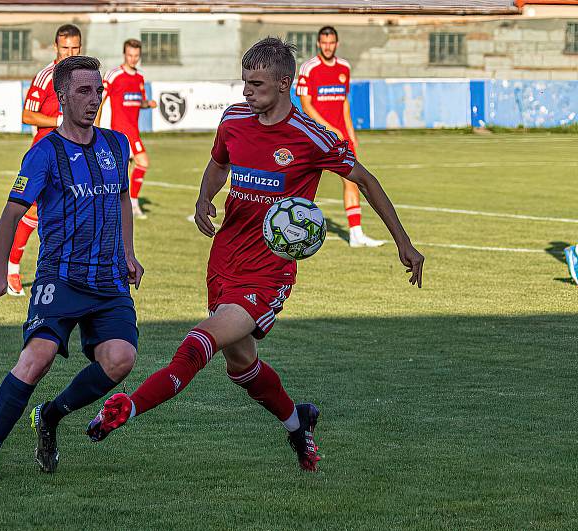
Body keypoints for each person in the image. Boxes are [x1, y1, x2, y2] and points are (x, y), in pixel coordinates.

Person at [87, 38, 424, 472]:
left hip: (267, 272)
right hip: (224, 258)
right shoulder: (234, 120)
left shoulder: (311, 137)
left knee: (200, 340)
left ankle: (128, 408)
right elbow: (219, 162)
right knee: (242, 365)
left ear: (285, 83)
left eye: (257, 84)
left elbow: (367, 179)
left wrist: (404, 242)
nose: (247, 92)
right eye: (245, 82)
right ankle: (297, 424)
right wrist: (204, 199)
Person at [0, 55, 145, 484]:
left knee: (121, 359)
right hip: (59, 278)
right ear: (61, 97)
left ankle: (51, 414)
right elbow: (10, 216)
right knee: (37, 358)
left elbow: (122, 198)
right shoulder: (44, 153)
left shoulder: (116, 145)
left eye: (98, 90)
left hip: (107, 279)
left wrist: (128, 252)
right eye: (84, 91)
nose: (94, 99)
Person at [8, 24, 83, 297]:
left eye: (75, 48)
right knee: (31, 213)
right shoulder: (45, 76)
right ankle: (11, 268)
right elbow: (28, 116)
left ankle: (62, 274)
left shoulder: (83, 77)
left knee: (72, 213)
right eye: (65, 48)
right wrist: (59, 121)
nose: (70, 53)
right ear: (56, 48)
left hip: (73, 155)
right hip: (44, 154)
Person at [297, 26, 384, 247]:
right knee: (298, 182)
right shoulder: (309, 68)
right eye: (324, 43)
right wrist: (329, 128)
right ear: (318, 43)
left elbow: (344, 102)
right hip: (315, 136)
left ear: (336, 43)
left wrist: (349, 132)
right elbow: (306, 105)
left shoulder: (344, 67)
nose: (328, 46)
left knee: (351, 180)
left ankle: (356, 234)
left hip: (340, 137)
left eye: (331, 42)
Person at [96, 39, 157, 219]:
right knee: (141, 163)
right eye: (130, 55)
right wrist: (96, 126)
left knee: (124, 173)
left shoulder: (139, 78)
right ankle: (131, 204)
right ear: (124, 54)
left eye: (136, 56)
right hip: (119, 132)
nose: (133, 59)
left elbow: (137, 102)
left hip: (133, 130)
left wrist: (148, 104)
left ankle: (126, 206)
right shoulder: (113, 74)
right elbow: (100, 100)